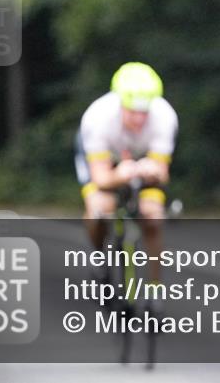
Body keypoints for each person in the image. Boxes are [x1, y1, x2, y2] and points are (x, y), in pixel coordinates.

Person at [75, 62, 178, 287]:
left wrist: (153, 173)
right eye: (132, 112)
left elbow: (162, 174)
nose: (139, 119)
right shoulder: (97, 118)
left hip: (143, 160)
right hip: (106, 161)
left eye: (144, 112)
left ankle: (154, 289)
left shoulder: (164, 117)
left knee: (152, 216)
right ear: (119, 103)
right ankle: (99, 257)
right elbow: (101, 178)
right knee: (100, 209)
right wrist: (120, 175)